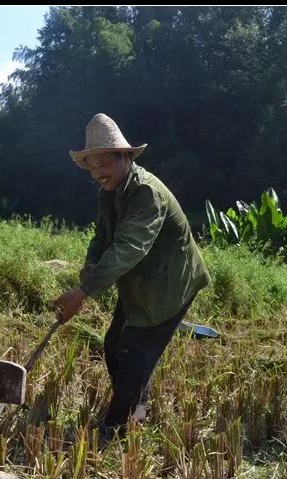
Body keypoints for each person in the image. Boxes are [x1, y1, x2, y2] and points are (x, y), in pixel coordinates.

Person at [53, 113, 210, 442]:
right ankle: (136, 406)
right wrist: (90, 264)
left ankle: (115, 427)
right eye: (91, 167)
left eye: (102, 164)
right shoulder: (109, 193)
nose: (97, 174)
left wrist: (83, 292)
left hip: (169, 284)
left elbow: (128, 247)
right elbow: (102, 238)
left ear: (124, 156)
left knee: (134, 353)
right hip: (139, 281)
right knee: (114, 344)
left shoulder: (145, 193)